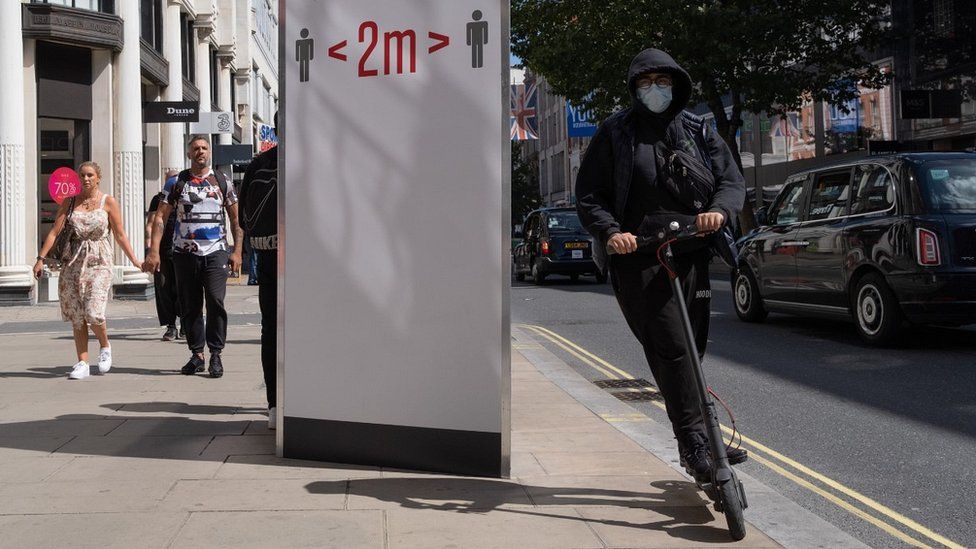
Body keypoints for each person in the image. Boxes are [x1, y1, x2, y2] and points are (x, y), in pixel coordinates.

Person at [575, 48, 747, 482]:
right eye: (647, 82)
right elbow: (590, 193)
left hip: (691, 251)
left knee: (692, 348)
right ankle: (695, 443)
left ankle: (701, 437)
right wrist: (612, 231)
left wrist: (720, 212)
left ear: (677, 84)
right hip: (639, 259)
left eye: (663, 81)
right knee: (672, 348)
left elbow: (730, 180)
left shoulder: (698, 129)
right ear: (634, 88)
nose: (656, 89)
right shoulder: (615, 133)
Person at [32, 161, 143, 380]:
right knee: (77, 314)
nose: (86, 179)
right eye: (82, 175)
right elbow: (55, 232)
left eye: (90, 175)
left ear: (98, 177)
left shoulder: (107, 202)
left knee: (94, 311)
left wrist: (135, 261)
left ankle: (105, 346)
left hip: (99, 260)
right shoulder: (70, 202)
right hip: (73, 262)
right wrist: (40, 259)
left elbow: (120, 235)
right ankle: (82, 361)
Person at [143, 136, 243, 379]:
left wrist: (237, 251)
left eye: (204, 148)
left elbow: (236, 220)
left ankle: (216, 354)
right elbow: (160, 218)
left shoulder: (223, 181)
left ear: (210, 152)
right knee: (190, 305)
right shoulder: (177, 183)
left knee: (216, 303)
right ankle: (197, 354)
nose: (200, 151)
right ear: (189, 154)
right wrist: (154, 251)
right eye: (196, 148)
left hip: (215, 251)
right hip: (184, 253)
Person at [239, 112, 278, 429]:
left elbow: (244, 219)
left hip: (269, 256)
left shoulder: (258, 164)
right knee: (277, 330)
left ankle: (276, 403)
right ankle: (278, 402)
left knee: (272, 330)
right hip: (285, 260)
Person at [146, 169, 182, 341]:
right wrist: (151, 248)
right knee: (164, 288)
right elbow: (152, 223)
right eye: (170, 182)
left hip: (182, 249)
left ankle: (186, 323)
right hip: (163, 248)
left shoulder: (186, 196)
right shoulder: (158, 199)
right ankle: (171, 326)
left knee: (183, 288)